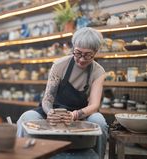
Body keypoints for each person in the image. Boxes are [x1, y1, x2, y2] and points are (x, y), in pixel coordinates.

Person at [16, 27, 108, 159]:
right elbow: (47, 99)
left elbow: (94, 105)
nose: (82, 59)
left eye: (88, 55)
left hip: (79, 114)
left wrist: (75, 115)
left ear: (96, 52)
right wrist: (50, 113)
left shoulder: (98, 72)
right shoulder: (60, 65)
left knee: (99, 121)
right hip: (53, 112)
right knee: (26, 117)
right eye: (78, 53)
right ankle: (23, 155)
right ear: (73, 48)